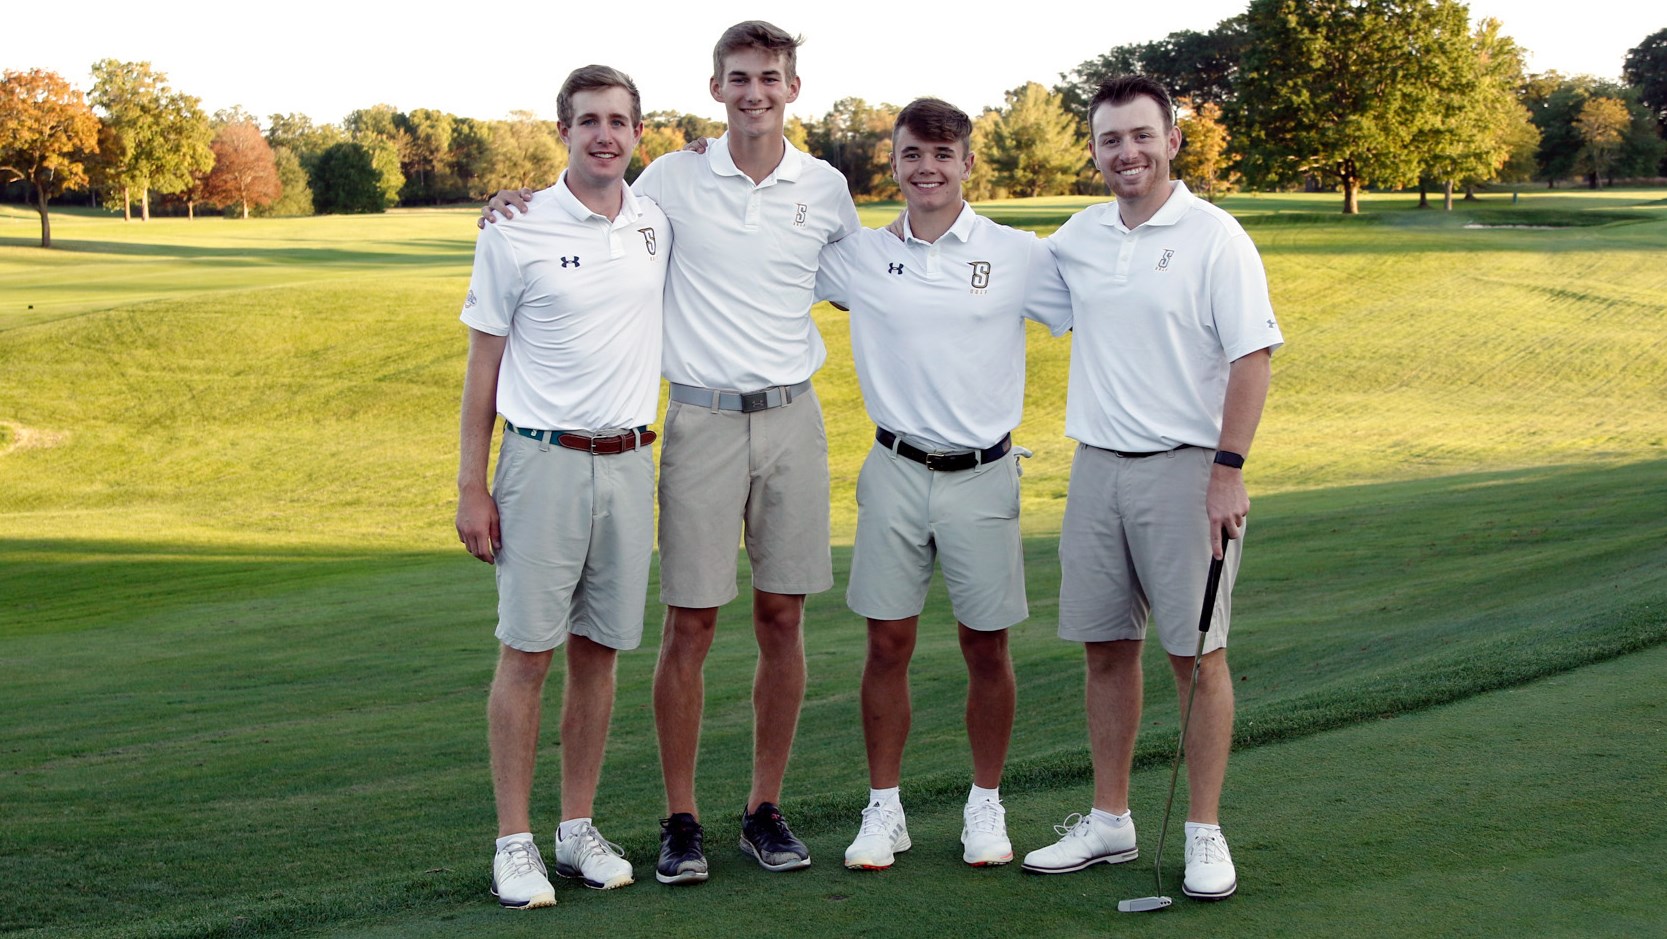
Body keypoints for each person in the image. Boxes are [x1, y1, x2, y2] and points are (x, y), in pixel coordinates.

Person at [482, 22, 861, 883]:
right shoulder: (671, 180)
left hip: (794, 419)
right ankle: (679, 819)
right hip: (698, 421)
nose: (754, 90)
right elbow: (586, 196)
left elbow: (864, 277)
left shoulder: (827, 186)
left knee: (783, 617)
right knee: (687, 622)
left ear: (792, 87)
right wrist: (513, 201)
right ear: (716, 87)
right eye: (738, 77)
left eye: (769, 76)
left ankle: (764, 808)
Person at [1019, 74, 1282, 902]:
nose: (1124, 152)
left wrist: (1225, 472)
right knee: (1104, 648)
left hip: (1187, 469)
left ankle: (1203, 831)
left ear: (1171, 140)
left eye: (1139, 135)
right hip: (1098, 465)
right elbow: (988, 263)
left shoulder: (1214, 236)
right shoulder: (1082, 235)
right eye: (1108, 140)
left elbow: (1252, 356)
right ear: (1093, 151)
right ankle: (1109, 821)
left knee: (1196, 656)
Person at [811, 98, 1070, 871]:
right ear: (891, 163)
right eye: (911, 155)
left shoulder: (1016, 254)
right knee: (886, 643)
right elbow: (751, 253)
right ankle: (883, 808)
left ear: (966, 163)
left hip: (982, 473)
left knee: (984, 646)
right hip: (893, 468)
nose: (926, 168)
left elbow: (1099, 312)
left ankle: (984, 804)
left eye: (941, 154)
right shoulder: (856, 256)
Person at [456, 65, 669, 909]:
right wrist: (472, 486)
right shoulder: (516, 228)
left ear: (638, 134)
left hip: (629, 461)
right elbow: (482, 371)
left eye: (619, 121)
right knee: (528, 652)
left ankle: (575, 829)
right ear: (564, 133)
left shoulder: (658, 216)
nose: (605, 135)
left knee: (600, 654)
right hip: (540, 462)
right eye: (588, 121)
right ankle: (514, 844)